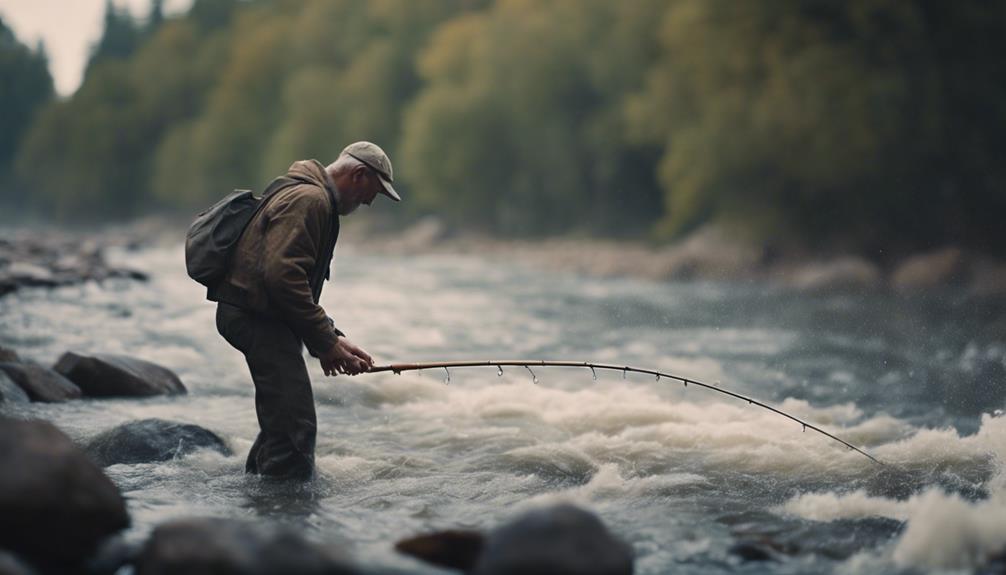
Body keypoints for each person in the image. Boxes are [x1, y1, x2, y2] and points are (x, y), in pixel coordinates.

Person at [213, 141, 400, 480]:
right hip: (255, 318)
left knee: (283, 420)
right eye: (373, 192)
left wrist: (332, 339)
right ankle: (283, 513)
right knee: (295, 428)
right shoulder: (310, 201)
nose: (370, 201)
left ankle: (256, 494)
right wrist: (325, 344)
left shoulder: (312, 198)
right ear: (358, 175)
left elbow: (293, 285)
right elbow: (282, 277)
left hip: (261, 315)